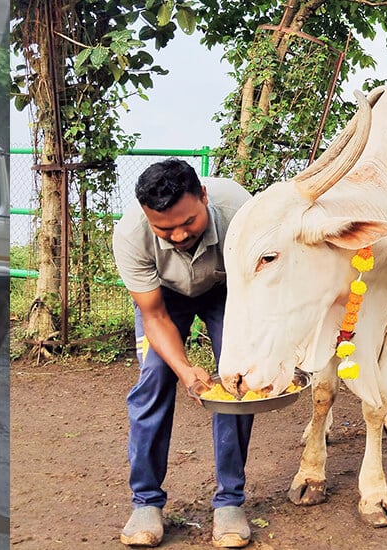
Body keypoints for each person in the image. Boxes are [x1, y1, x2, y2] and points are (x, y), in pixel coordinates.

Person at [111, 159, 254, 548]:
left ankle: (230, 502)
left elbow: (258, 290)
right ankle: (146, 502)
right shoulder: (130, 235)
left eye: (188, 222)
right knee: (154, 380)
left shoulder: (242, 213)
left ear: (203, 197)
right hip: (165, 297)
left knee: (234, 382)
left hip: (228, 292)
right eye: (164, 228)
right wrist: (186, 370)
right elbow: (154, 316)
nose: (177, 235)